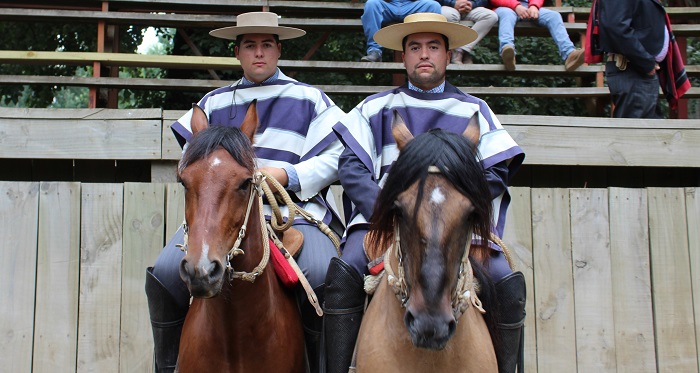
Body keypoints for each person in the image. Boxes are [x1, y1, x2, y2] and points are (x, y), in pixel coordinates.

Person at [144, 12, 346, 373]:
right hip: (220, 213)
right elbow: (193, 166)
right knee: (163, 272)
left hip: (292, 215)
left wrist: (287, 174)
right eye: (250, 45)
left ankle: (320, 366)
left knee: (319, 272)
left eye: (266, 44)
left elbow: (337, 156)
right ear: (237, 52)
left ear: (278, 49)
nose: (259, 53)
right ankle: (168, 364)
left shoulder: (310, 99)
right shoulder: (213, 102)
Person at [326, 13, 526, 373]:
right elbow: (351, 167)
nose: (424, 55)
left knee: (507, 283)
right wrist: (388, 211)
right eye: (414, 47)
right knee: (342, 275)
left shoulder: (475, 110)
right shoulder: (376, 107)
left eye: (433, 47)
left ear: (448, 55)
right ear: (402, 57)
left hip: (456, 227)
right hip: (382, 223)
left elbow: (496, 171)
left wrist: (458, 204)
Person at [589, 0, 691, 118]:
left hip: (638, 72)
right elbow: (615, 25)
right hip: (633, 70)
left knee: (647, 132)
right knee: (635, 134)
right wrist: (646, 63)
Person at [491, 0, 584, 71]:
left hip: (529, 7)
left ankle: (570, 54)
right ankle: (507, 53)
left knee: (554, 16)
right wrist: (516, 6)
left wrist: (534, 5)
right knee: (507, 14)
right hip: (504, 7)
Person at [360, 0, 465, 62]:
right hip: (387, 4)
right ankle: (374, 51)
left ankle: (432, 51)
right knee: (371, 4)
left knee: (433, 5)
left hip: (412, 5)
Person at [441, 0, 498, 64]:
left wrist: (471, 4)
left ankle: (463, 50)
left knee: (491, 16)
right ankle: (456, 50)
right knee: (447, 15)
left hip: (471, 8)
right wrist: (453, 3)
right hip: (449, 7)